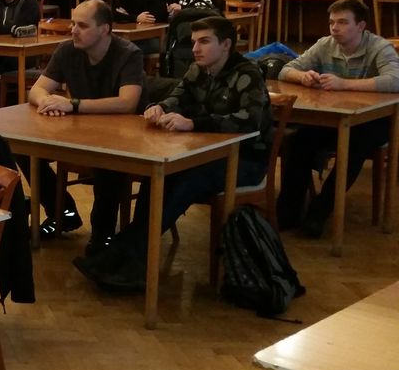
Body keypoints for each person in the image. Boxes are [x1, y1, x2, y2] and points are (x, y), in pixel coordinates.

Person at [75, 16, 271, 292]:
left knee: (187, 181)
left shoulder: (247, 74)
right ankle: (133, 262)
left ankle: (119, 255)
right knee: (156, 177)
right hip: (205, 153)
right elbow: (177, 96)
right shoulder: (197, 70)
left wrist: (193, 123)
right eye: (194, 42)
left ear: (226, 44)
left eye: (204, 42)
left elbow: (248, 122)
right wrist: (160, 107)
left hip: (246, 159)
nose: (196, 49)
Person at [26, 0, 145, 253]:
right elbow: (37, 90)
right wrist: (47, 101)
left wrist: (73, 104)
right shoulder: (67, 50)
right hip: (78, 131)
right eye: (72, 24)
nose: (73, 31)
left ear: (104, 29)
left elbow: (127, 103)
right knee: (24, 149)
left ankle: (102, 234)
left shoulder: (128, 53)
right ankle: (62, 211)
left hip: (121, 136)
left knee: (108, 159)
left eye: (82, 25)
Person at [277, 0, 399, 236]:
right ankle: (288, 212)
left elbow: (395, 80)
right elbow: (285, 70)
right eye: (332, 22)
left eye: (342, 22)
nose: (335, 28)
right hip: (336, 117)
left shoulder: (378, 46)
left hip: (374, 121)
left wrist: (345, 84)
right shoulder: (325, 44)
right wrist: (302, 77)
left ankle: (319, 211)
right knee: (299, 140)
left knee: (354, 145)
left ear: (361, 26)